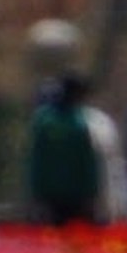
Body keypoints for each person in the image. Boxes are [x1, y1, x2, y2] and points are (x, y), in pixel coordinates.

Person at [26, 77, 105, 227]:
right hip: (76, 194)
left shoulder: (42, 119)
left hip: (49, 193)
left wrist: (35, 192)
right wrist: (92, 194)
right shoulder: (80, 121)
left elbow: (36, 160)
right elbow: (87, 162)